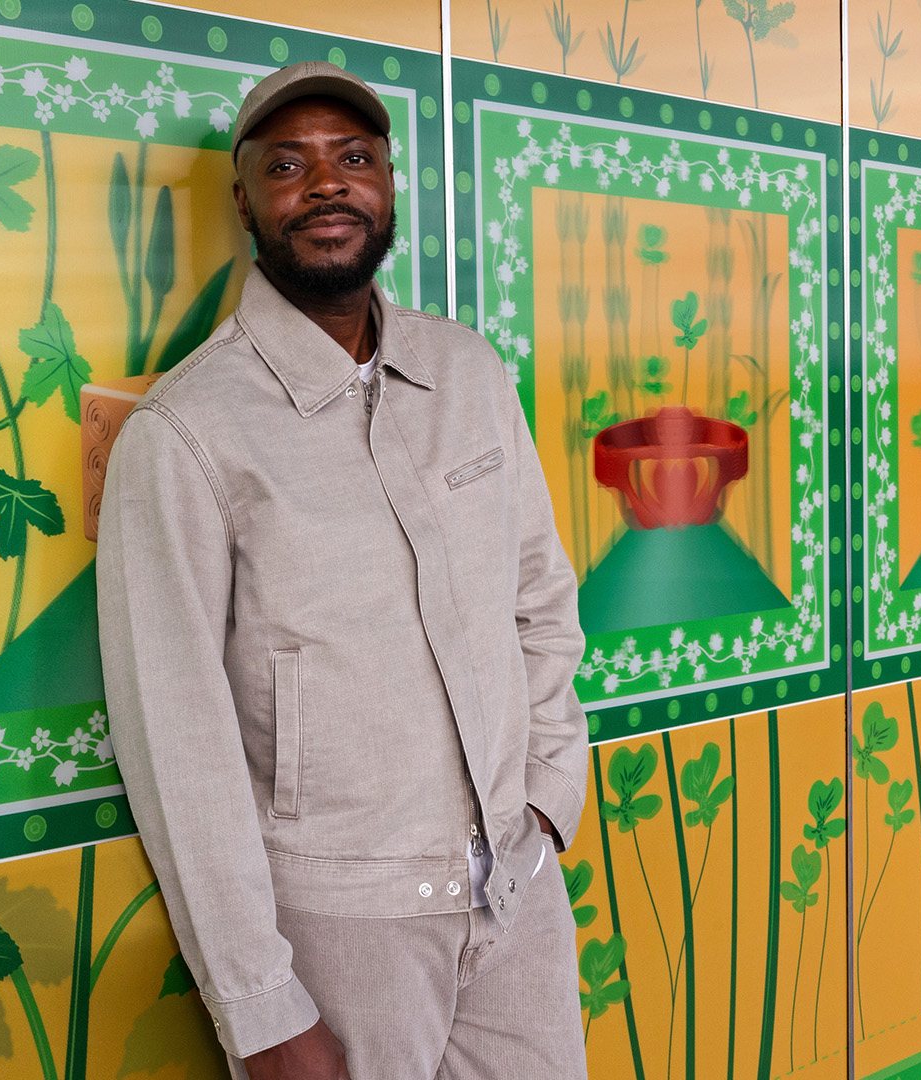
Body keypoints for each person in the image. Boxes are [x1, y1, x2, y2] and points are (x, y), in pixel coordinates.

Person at [95, 61, 589, 1080]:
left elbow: (540, 601)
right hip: (346, 935)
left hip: (517, 895)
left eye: (354, 158)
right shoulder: (187, 433)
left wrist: (544, 798)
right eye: (290, 165)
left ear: (390, 186)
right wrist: (261, 1004)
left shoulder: (469, 372)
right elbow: (176, 742)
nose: (328, 185)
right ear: (246, 202)